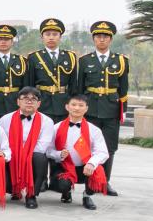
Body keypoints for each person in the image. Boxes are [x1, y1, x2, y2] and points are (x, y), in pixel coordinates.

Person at [78, 21, 127, 195]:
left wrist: (123, 110)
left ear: (111, 39)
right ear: (93, 39)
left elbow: (124, 89)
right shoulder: (84, 61)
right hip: (90, 109)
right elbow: (80, 88)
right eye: (98, 36)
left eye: (105, 36)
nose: (102, 39)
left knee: (109, 147)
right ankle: (90, 183)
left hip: (111, 108)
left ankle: (105, 182)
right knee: (89, 147)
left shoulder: (121, 61)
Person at [49, 94, 110, 210]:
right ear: (67, 107)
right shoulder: (56, 128)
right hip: (65, 167)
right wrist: (59, 154)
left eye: (81, 105)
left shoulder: (94, 130)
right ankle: (66, 191)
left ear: (86, 109)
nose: (77, 108)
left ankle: (87, 195)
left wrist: (91, 163)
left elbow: (102, 152)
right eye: (73, 104)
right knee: (63, 185)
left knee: (98, 171)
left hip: (84, 168)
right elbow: (48, 150)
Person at [0, 87, 55, 209]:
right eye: (25, 98)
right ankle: (13, 190)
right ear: (18, 101)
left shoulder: (47, 121)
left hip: (32, 157)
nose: (29, 102)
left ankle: (31, 195)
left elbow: (42, 146)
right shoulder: (5, 119)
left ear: (39, 103)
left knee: (40, 158)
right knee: (0, 159)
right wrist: (13, 153)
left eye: (33, 99)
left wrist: (22, 154)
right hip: (11, 157)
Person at [26, 18, 77, 123]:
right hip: (42, 103)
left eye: (55, 34)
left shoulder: (70, 57)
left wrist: (73, 103)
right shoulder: (34, 57)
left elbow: (73, 84)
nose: (51, 37)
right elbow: (30, 84)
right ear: (42, 37)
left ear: (60, 37)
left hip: (64, 103)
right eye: (47, 34)